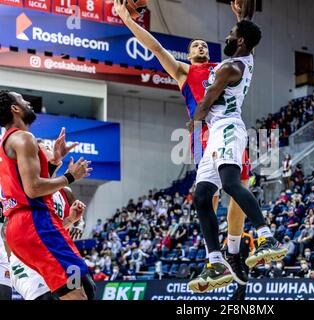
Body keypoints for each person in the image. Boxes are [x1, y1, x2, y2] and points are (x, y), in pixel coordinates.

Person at [114, 0, 256, 291]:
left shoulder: (224, 66)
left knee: (240, 186)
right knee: (209, 195)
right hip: (203, 133)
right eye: (195, 45)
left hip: (230, 127)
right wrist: (128, 21)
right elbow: (155, 48)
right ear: (189, 54)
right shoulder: (183, 72)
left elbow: (246, 40)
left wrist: (241, 16)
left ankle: (233, 250)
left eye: (204, 44)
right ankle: (214, 259)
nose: (201, 46)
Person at [186, 20, 287, 293]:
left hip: (228, 128)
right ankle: (215, 261)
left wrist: (193, 126)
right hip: (217, 136)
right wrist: (242, 10)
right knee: (202, 196)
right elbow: (248, 20)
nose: (227, 37)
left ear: (240, 40)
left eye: (232, 35)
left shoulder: (230, 67)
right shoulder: (247, 56)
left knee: (231, 184)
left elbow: (205, 104)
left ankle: (267, 238)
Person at [0, 91, 92, 300]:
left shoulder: (10, 141)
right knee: (76, 292)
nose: (28, 103)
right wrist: (71, 176)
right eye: (23, 101)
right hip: (35, 221)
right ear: (15, 109)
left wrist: (54, 162)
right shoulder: (23, 137)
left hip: (23, 225)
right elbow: (33, 189)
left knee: (78, 285)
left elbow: (27, 187)